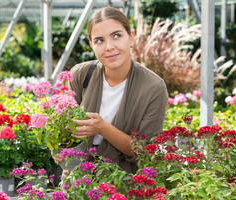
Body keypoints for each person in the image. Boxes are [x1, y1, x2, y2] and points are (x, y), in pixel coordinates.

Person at [54, 6, 168, 174]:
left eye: (116, 36)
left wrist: (102, 128)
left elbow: (144, 152)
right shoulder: (81, 74)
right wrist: (56, 147)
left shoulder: (153, 87)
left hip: (123, 187)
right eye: (99, 40)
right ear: (91, 44)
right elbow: (63, 129)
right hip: (77, 184)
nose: (109, 47)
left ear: (131, 37)